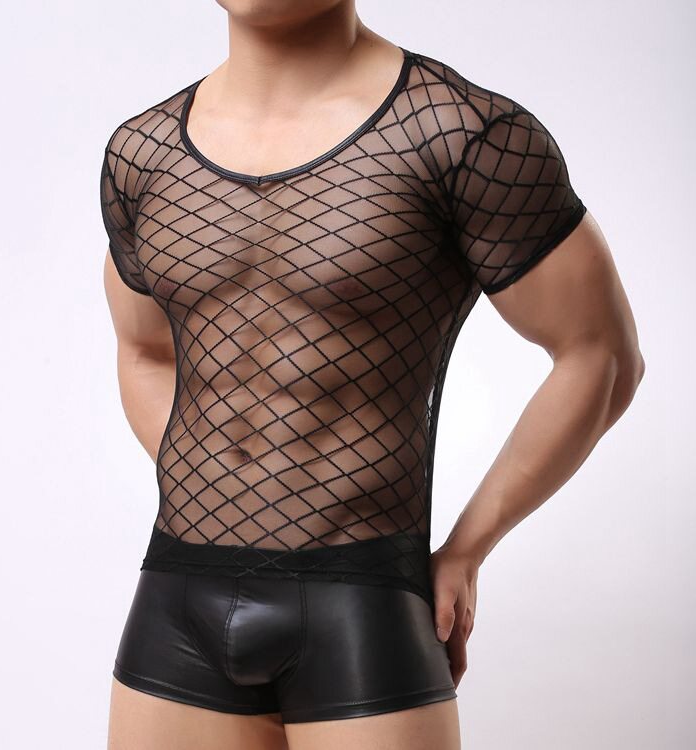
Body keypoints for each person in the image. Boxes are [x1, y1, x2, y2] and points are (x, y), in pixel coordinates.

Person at [101, 2, 645, 748]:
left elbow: (601, 354)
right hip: (176, 599)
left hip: (363, 597)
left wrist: (468, 549)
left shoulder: (462, 134)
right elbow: (145, 351)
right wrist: (231, 483)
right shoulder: (142, 152)